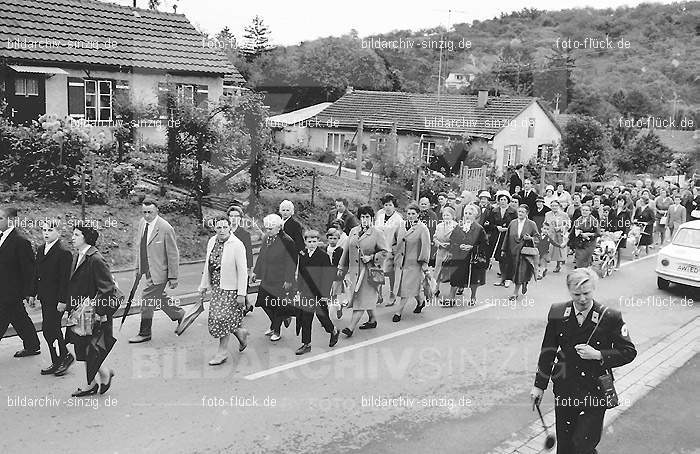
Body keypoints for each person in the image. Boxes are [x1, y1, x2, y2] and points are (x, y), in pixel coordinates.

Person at [531, 268, 637, 454]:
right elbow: (548, 350)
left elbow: (628, 352)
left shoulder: (610, 317)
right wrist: (539, 385)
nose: (582, 299)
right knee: (565, 446)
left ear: (594, 289)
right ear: (569, 291)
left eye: (586, 293)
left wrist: (599, 355)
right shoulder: (557, 313)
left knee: (583, 444)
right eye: (576, 294)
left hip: (595, 391)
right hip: (566, 388)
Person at [65, 223, 117, 397]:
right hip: (80, 312)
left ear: (86, 237)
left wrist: (100, 313)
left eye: (77, 234)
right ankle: (102, 374)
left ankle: (93, 382)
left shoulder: (95, 258)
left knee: (89, 348)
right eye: (73, 234)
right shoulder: (78, 255)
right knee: (82, 347)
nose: (72, 237)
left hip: (92, 314)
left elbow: (107, 288)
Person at [129, 199, 184, 344]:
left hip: (160, 271)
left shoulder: (165, 228)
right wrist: (138, 267)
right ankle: (179, 314)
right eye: (144, 212)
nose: (147, 216)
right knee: (158, 297)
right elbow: (140, 247)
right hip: (147, 269)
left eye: (150, 212)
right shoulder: (142, 223)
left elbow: (173, 254)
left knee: (147, 299)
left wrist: (173, 277)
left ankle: (145, 332)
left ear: (157, 211)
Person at [199, 216, 249, 366]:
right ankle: (240, 333)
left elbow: (242, 271)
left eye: (224, 227)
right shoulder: (212, 242)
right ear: (215, 228)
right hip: (216, 288)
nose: (222, 230)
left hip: (231, 289)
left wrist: (241, 293)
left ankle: (222, 352)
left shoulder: (237, 245)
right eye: (219, 227)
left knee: (222, 319)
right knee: (219, 319)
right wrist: (203, 286)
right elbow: (207, 265)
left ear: (230, 228)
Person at [338, 205, 388, 337]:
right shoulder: (353, 231)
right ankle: (372, 319)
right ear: (359, 218)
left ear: (372, 218)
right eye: (362, 216)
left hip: (369, 271)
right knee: (364, 298)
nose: (365, 219)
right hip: (355, 272)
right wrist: (341, 267)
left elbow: (384, 252)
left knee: (360, 299)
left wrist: (371, 257)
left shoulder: (377, 233)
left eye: (367, 217)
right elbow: (347, 250)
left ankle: (350, 327)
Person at [0, 207, 41, 357]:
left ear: (10, 220)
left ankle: (32, 346)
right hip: (3, 290)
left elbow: (29, 269)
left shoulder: (21, 242)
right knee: (19, 318)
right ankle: (33, 346)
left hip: (11, 291)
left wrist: (31, 292)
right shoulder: (1, 237)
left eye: (0, 219)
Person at [35, 219, 74, 376]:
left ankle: (64, 357)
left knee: (52, 328)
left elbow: (65, 280)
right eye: (44, 230)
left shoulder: (63, 252)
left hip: (57, 299)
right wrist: (33, 293)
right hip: (45, 296)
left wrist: (63, 301)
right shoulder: (40, 249)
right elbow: (37, 273)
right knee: (48, 330)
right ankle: (58, 359)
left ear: (58, 232)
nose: (46, 233)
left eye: (50, 230)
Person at [253, 214, 298, 341]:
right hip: (267, 276)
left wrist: (289, 280)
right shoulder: (267, 237)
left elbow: (291, 262)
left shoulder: (287, 241)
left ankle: (277, 330)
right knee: (263, 302)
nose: (267, 231)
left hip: (281, 278)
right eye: (266, 228)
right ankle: (278, 321)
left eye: (270, 228)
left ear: (279, 227)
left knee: (278, 305)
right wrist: (256, 272)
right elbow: (262, 255)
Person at [295, 230, 340, 355]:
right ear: (305, 242)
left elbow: (327, 277)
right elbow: (300, 273)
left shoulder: (323, 256)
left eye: (314, 242)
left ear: (318, 242)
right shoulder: (302, 254)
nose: (312, 244)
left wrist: (325, 295)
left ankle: (333, 330)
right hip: (305, 291)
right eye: (309, 242)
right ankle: (306, 344)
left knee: (322, 317)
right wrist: (298, 290)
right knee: (306, 318)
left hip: (319, 292)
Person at [392, 203, 431, 322]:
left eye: (413, 214)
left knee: (406, 287)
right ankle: (421, 301)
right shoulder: (401, 225)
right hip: (400, 262)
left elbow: (426, 247)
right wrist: (394, 252)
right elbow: (394, 241)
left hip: (414, 263)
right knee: (411, 287)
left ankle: (398, 312)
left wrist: (424, 263)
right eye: (408, 213)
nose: (410, 216)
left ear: (418, 215)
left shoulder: (422, 228)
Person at [443, 204, 488, 307]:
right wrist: (458, 246)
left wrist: (472, 247)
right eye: (466, 213)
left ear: (475, 216)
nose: (467, 215)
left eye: (470, 214)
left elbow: (484, 244)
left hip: (473, 258)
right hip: (459, 256)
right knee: (455, 277)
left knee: (473, 278)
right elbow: (452, 240)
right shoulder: (459, 227)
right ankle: (451, 298)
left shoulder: (479, 229)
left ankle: (473, 296)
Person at [501, 204, 539, 301]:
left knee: (520, 272)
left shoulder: (531, 224)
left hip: (524, 253)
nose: (520, 213)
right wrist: (503, 249)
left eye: (522, 212)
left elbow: (537, 238)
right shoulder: (512, 223)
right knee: (513, 271)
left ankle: (515, 293)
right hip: (512, 251)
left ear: (527, 213)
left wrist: (530, 238)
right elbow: (507, 236)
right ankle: (523, 282)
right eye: (519, 211)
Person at [375, 193, 403, 306]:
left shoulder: (398, 219)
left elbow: (400, 237)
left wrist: (395, 249)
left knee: (390, 274)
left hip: (391, 250)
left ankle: (392, 295)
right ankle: (379, 295)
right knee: (377, 272)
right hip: (378, 249)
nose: (387, 207)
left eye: (390, 205)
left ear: (394, 206)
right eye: (385, 204)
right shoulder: (379, 215)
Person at [228, 206, 254, 314]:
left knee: (240, 287)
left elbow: (249, 251)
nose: (234, 218)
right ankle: (247, 305)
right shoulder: (225, 231)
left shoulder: (244, 234)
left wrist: (249, 268)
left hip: (241, 265)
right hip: (228, 265)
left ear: (240, 218)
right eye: (231, 216)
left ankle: (240, 309)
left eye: (236, 216)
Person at [490, 191, 517, 288]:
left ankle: (508, 279)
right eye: (501, 199)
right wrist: (496, 227)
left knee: (507, 258)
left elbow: (516, 224)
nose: (502, 201)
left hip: (508, 237)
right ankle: (502, 278)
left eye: (505, 199)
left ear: (508, 201)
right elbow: (489, 223)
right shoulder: (494, 211)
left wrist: (507, 229)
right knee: (500, 259)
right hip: (497, 236)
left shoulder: (513, 212)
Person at [433, 207, 457, 297]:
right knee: (438, 270)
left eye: (448, 215)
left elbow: (458, 239)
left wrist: (450, 245)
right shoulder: (439, 226)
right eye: (444, 215)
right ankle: (436, 288)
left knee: (452, 271)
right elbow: (434, 237)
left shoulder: (456, 226)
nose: (446, 217)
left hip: (451, 252)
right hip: (441, 251)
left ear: (452, 216)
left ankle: (455, 289)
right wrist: (439, 243)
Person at [544, 200, 570, 274]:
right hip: (550, 234)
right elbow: (545, 223)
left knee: (558, 250)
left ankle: (558, 265)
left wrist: (561, 228)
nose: (554, 207)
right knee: (547, 250)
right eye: (552, 206)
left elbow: (567, 224)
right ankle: (544, 266)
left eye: (555, 206)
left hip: (559, 234)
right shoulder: (547, 214)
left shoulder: (564, 214)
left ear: (558, 206)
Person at [608, 196, 631, 269]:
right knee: (610, 246)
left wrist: (626, 233)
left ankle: (618, 263)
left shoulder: (627, 211)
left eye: (622, 201)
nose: (620, 203)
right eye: (619, 201)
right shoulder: (612, 210)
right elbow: (609, 220)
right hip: (612, 230)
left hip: (621, 231)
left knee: (618, 248)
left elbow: (628, 223)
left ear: (624, 202)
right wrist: (607, 229)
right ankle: (609, 261)